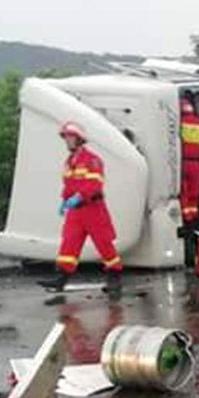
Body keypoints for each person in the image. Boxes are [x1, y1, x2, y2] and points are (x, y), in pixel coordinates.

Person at [39, 122, 123, 293]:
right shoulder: (70, 162)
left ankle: (114, 276)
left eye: (70, 137)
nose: (67, 141)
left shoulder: (92, 160)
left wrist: (79, 197)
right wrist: (65, 200)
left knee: (104, 244)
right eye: (66, 138)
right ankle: (61, 278)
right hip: (76, 211)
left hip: (93, 209)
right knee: (69, 243)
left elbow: (95, 185)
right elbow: (68, 185)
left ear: (79, 139)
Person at [179, 94, 199, 225]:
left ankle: (184, 217)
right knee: (194, 191)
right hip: (195, 163)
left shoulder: (179, 122)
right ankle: (192, 218)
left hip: (182, 163)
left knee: (183, 190)